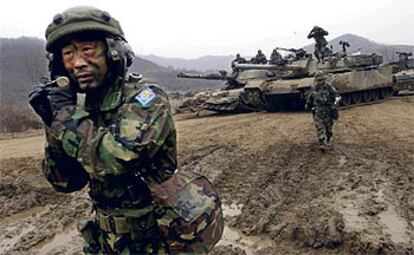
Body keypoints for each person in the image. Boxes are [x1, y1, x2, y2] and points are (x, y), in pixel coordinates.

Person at [28, 6, 176, 254]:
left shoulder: (147, 97)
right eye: (68, 54)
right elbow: (66, 181)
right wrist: (51, 122)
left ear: (114, 52)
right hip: (105, 240)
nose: (77, 63)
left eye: (87, 49)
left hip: (154, 241)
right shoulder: (88, 108)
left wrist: (65, 117)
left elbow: (116, 159)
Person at [305, 71, 340, 152]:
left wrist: (335, 104)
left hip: (328, 110)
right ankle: (321, 143)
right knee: (320, 127)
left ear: (324, 79)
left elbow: (337, 96)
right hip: (318, 110)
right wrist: (308, 105)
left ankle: (328, 138)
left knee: (329, 127)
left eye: (321, 80)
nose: (320, 82)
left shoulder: (329, 87)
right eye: (318, 80)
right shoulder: (314, 88)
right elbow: (310, 98)